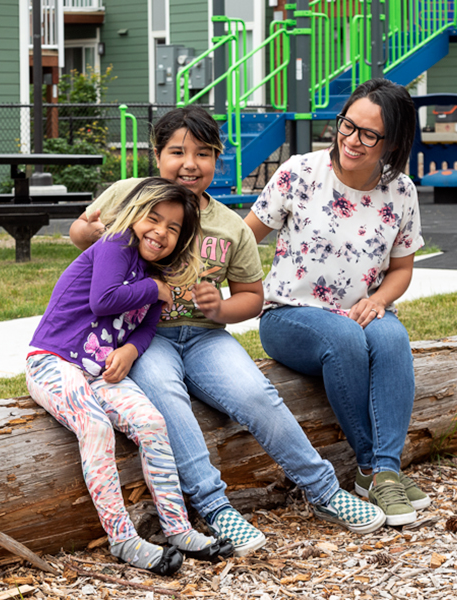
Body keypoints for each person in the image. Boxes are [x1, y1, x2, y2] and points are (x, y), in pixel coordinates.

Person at [70, 106, 384, 558]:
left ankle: (323, 490)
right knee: (167, 400)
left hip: (206, 338)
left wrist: (221, 309)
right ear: (156, 155)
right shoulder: (127, 196)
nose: (189, 163)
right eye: (176, 151)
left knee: (256, 394)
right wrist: (88, 230)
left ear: (217, 159)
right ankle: (216, 508)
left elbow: (252, 297)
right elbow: (82, 234)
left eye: (202, 153)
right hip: (145, 338)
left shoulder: (230, 225)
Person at [243, 78, 430, 527]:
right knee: (346, 335)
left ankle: (384, 471)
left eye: (369, 134)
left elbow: (402, 269)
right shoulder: (299, 173)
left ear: (393, 141)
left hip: (360, 312)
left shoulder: (400, 191)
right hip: (289, 316)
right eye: (348, 125)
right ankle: (369, 464)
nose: (351, 140)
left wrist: (381, 299)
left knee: (391, 337)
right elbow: (243, 238)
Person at [27, 178, 233, 575]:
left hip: (101, 370)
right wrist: (154, 288)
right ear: (135, 215)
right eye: (153, 219)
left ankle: (178, 529)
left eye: (173, 228)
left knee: (152, 423)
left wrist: (131, 349)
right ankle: (122, 538)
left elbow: (145, 327)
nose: (160, 232)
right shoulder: (114, 246)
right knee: (96, 426)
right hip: (53, 361)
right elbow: (102, 298)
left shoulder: (162, 277)